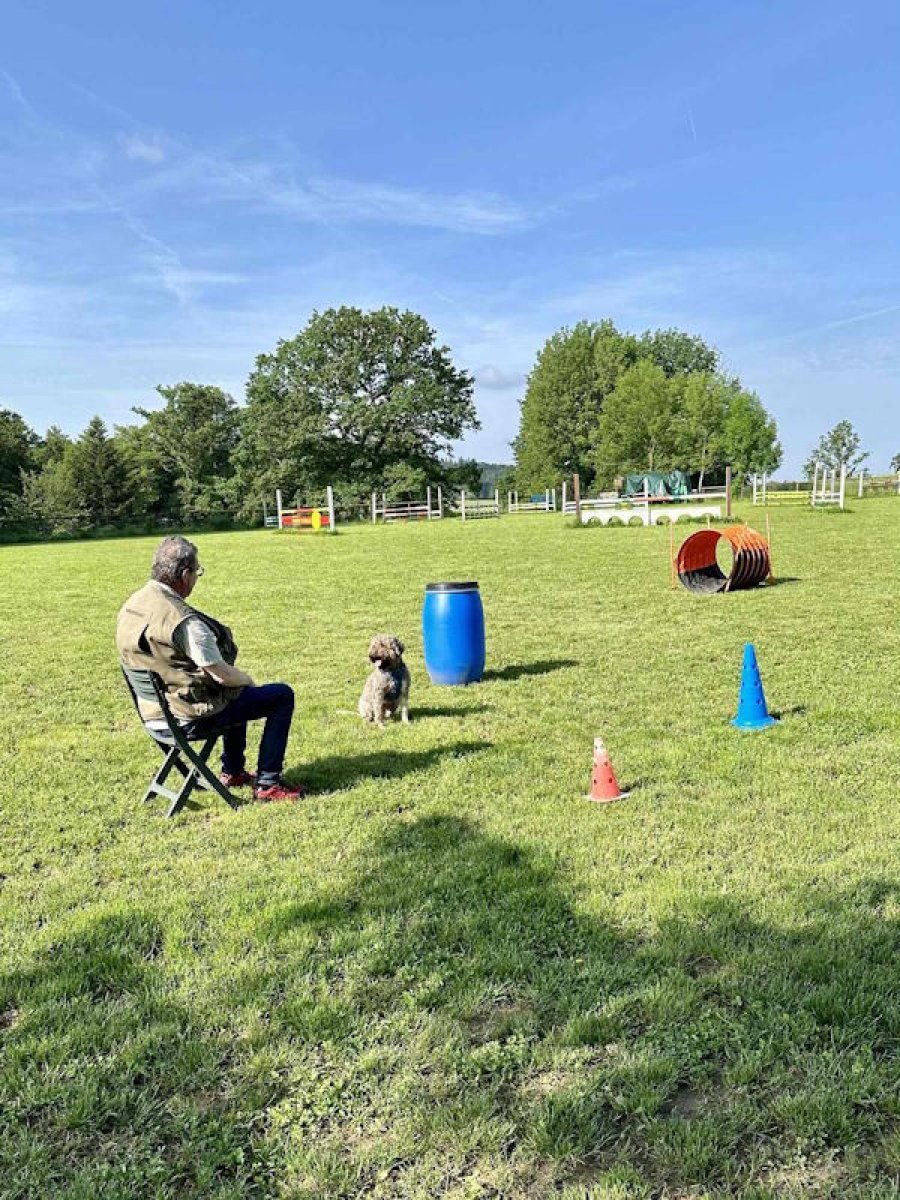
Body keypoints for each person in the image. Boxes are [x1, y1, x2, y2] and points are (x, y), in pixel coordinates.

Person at [116, 535, 303, 801]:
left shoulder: (133, 604)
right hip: (186, 718)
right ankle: (269, 783)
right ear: (184, 574)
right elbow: (221, 674)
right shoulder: (184, 623)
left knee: (234, 696)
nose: (195, 579)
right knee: (279, 695)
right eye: (196, 573)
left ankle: (234, 771)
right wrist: (246, 679)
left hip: (153, 714)